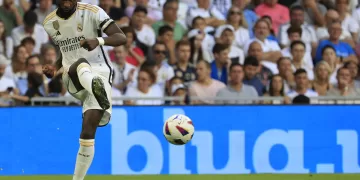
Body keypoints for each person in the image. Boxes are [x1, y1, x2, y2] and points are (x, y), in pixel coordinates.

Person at [41, 0, 126, 180]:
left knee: (88, 131)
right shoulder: (49, 23)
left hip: (101, 72)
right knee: (80, 63)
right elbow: (65, 52)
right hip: (72, 77)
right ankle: (96, 87)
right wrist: (55, 68)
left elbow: (121, 37)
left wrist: (99, 40)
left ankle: (77, 179)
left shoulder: (93, 12)